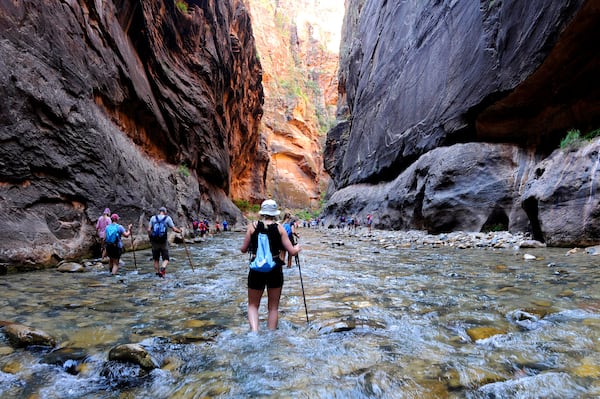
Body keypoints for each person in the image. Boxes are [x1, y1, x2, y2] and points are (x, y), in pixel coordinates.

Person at [240, 199, 300, 332]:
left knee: (253, 305)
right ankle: (271, 335)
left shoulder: (253, 226)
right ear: (275, 214)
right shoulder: (280, 228)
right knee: (273, 307)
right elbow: (292, 251)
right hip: (275, 269)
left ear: (262, 212)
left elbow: (243, 249)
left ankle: (254, 333)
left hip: (256, 270)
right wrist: (298, 247)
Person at [148, 206, 182, 278]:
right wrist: (180, 231)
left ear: (159, 211)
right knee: (166, 259)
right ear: (165, 212)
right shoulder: (167, 218)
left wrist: (151, 238)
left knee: (156, 259)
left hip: (154, 241)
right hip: (163, 241)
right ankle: (162, 268)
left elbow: (149, 229)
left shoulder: (153, 218)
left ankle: (157, 274)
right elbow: (174, 229)